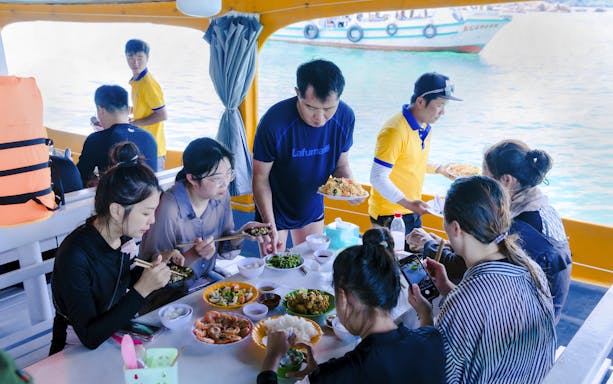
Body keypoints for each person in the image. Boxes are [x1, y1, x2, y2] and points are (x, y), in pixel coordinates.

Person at [408, 176, 556, 384]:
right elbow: (490, 318)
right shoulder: (530, 268)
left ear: (456, 228)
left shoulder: (465, 301)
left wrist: (424, 314)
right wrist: (447, 288)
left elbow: (434, 374)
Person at [408, 140, 572, 322]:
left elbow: (467, 266)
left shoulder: (518, 229)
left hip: (526, 322)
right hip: (539, 309)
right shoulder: (539, 208)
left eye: (487, 179)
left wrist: (428, 244)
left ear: (507, 180)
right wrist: (444, 244)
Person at [258, 228, 445, 384]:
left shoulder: (338, 374)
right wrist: (424, 312)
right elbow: (425, 333)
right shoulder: (433, 341)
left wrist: (272, 358)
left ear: (343, 298)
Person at [50, 153, 170, 353]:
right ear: (116, 211)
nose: (152, 221)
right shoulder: (74, 255)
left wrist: (153, 270)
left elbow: (120, 280)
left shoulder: (122, 236)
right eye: (146, 213)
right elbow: (89, 337)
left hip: (115, 332)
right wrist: (142, 290)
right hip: (74, 349)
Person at [252, 59, 359, 254]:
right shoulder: (274, 122)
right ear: (297, 93)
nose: (320, 118)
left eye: (328, 109)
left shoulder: (345, 117)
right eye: (311, 107)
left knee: (312, 262)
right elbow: (260, 178)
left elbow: (341, 165)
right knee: (273, 269)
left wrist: (349, 188)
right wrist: (269, 223)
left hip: (312, 201)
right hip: (275, 207)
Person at [140, 138, 271, 290]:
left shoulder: (220, 195)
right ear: (192, 179)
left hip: (205, 279)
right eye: (217, 179)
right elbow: (155, 271)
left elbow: (223, 248)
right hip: (170, 293)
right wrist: (194, 254)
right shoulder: (169, 207)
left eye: (229, 174)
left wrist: (241, 233)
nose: (225, 183)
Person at [368, 72, 461, 237]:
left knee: (413, 261)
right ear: (420, 101)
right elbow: (377, 177)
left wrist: (439, 169)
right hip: (390, 214)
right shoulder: (394, 131)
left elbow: (410, 159)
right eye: (440, 105)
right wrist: (409, 204)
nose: (442, 112)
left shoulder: (425, 126)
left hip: (412, 208)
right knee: (394, 262)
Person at [77, 85, 157, 187]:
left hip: (115, 200)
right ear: (128, 109)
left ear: (100, 109)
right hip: (147, 199)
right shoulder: (149, 138)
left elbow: (79, 178)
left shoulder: (96, 140)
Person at [125, 39, 167, 171]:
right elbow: (145, 107)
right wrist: (126, 111)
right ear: (126, 56)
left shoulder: (148, 83)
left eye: (140, 57)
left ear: (147, 58)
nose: (135, 62)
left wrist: (135, 123)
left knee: (152, 189)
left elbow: (162, 115)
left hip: (153, 149)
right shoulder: (137, 81)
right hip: (143, 145)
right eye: (131, 57)